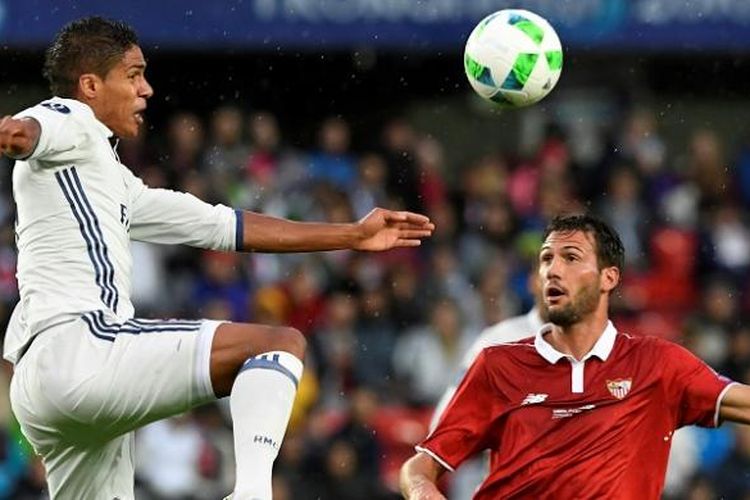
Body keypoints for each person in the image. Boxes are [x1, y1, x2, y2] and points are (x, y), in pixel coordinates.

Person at [0, 17, 434, 500]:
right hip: (82, 347)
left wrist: (351, 234)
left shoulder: (113, 184)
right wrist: (15, 133)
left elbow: (225, 226)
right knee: (277, 344)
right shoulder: (69, 118)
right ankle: (251, 492)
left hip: (42, 384)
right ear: (90, 85)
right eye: (134, 74)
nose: (147, 89)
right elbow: (24, 134)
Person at [400, 213, 750, 500]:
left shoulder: (656, 363)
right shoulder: (497, 363)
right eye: (546, 259)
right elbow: (421, 466)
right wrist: (421, 492)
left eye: (570, 258)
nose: (553, 270)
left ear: (608, 278)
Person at [427, 276, 546, 500]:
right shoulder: (498, 340)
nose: (560, 277)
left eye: (571, 261)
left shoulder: (609, 347)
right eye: (548, 264)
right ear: (533, 281)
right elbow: (443, 423)